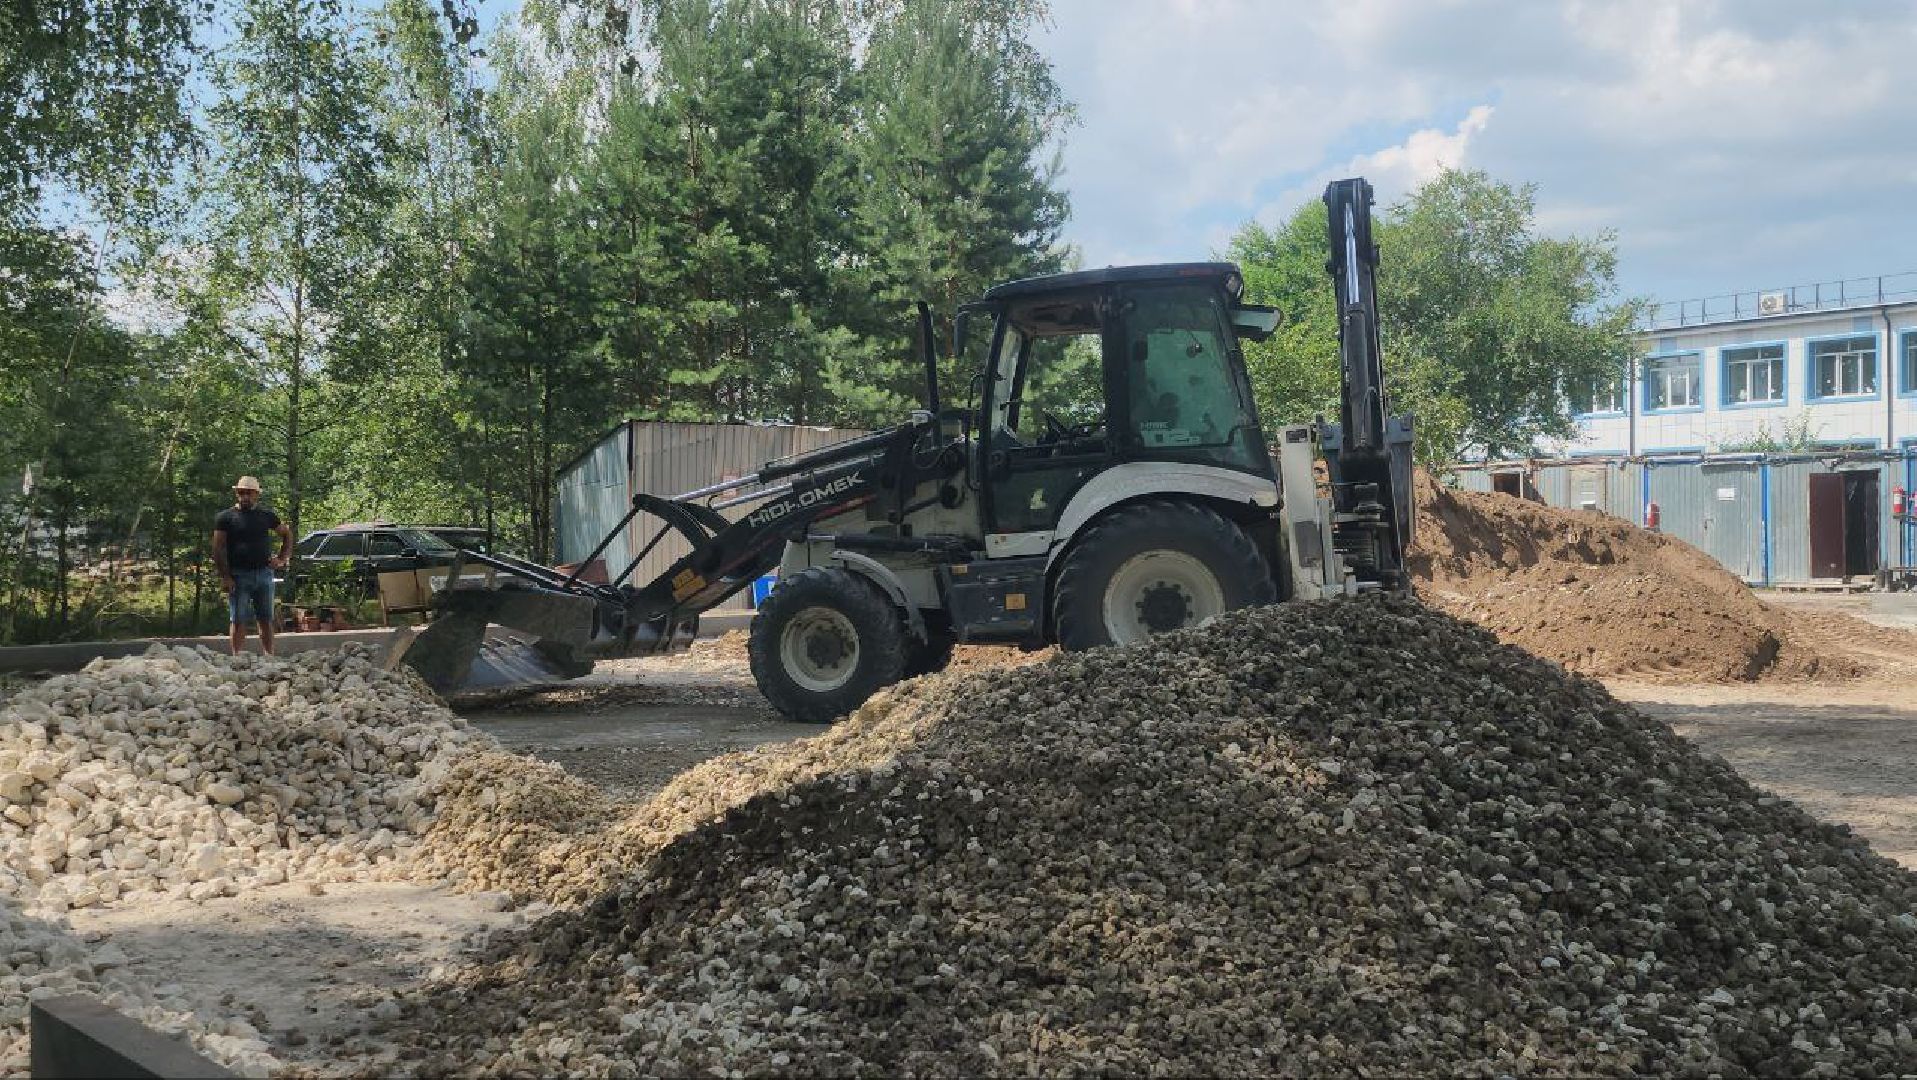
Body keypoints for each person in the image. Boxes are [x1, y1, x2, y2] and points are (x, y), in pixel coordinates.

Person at [212, 475, 292, 655]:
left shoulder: (266, 515)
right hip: (239, 575)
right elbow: (217, 549)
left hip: (264, 573)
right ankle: (237, 657)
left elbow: (286, 533)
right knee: (238, 619)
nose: (245, 497)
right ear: (236, 494)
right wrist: (225, 577)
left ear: (256, 495)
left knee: (265, 618)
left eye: (248, 493)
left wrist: (282, 558)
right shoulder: (225, 518)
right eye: (241, 493)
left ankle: (269, 656)